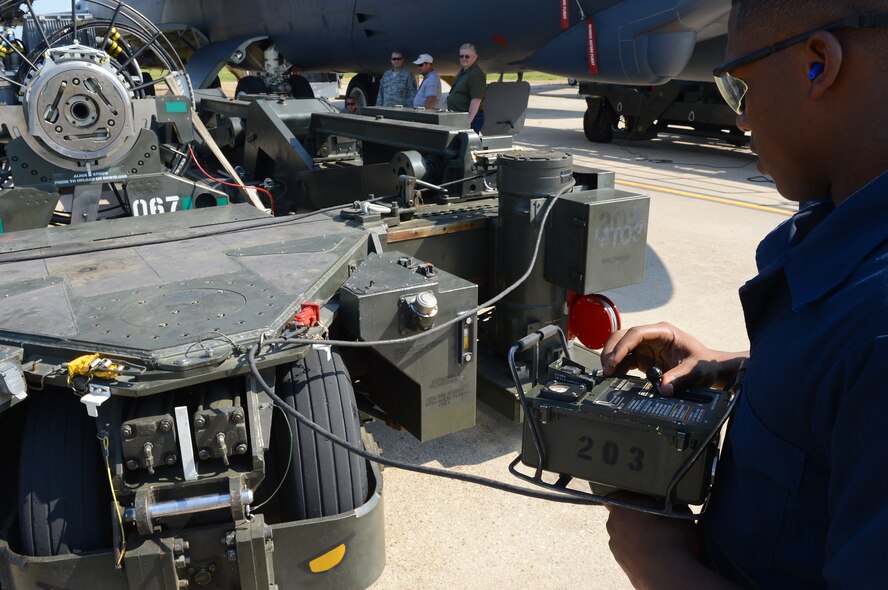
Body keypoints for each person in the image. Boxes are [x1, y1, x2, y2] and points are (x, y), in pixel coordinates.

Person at [602, 1, 888, 588]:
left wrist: (661, 565)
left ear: (819, 64)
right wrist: (734, 366)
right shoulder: (844, 241)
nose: (742, 120)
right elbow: (840, 404)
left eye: (743, 86)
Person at [446, 43, 486, 132]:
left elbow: (476, 100)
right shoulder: (464, 71)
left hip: (470, 118)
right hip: (459, 116)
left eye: (467, 56)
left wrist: (468, 121)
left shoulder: (476, 74)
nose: (464, 58)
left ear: (475, 57)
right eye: (461, 56)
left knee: (467, 145)